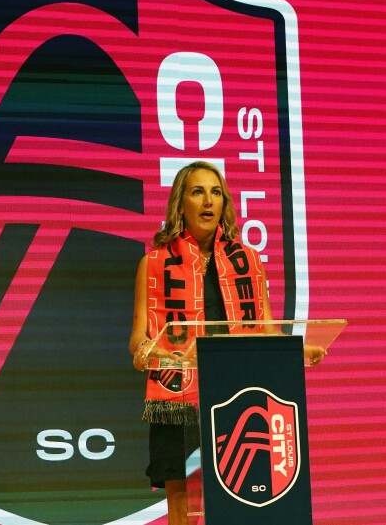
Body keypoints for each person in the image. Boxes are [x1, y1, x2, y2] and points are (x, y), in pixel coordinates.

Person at [129, 160, 325, 525]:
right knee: (181, 503)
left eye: (215, 192)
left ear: (224, 203)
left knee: (243, 492)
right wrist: (148, 354)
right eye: (198, 192)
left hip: (237, 392)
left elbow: (267, 329)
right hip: (176, 397)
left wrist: (299, 349)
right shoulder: (154, 263)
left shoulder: (247, 261)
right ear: (180, 204)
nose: (208, 201)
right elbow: (139, 338)